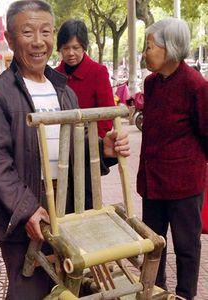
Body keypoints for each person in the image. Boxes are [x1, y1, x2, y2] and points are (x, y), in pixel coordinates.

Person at [0, 1, 130, 299]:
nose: (38, 41)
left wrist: (104, 149)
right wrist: (27, 208)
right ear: (9, 38)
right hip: (23, 207)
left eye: (45, 31)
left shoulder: (64, 91)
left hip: (66, 205)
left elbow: (74, 148)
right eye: (27, 31)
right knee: (29, 290)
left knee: (67, 286)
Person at [137, 18, 208, 300]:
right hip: (153, 183)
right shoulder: (151, 83)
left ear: (170, 49)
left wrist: (191, 166)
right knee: (153, 245)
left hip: (184, 187)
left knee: (186, 247)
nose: (145, 53)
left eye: (149, 46)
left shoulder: (196, 86)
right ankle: (155, 292)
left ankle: (184, 295)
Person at [55, 19, 114, 138]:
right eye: (66, 48)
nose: (71, 53)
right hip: (62, 143)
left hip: (91, 145)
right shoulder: (54, 75)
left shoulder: (98, 72)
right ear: (60, 49)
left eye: (76, 47)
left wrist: (95, 144)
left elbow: (107, 115)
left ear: (84, 47)